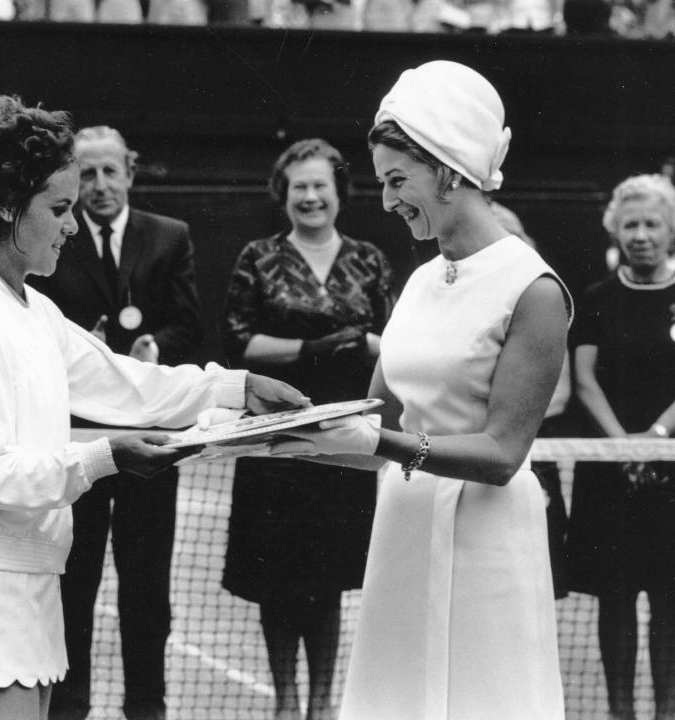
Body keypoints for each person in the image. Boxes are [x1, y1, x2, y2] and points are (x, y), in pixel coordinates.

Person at [0, 94, 308, 720]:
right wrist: (102, 457)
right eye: (58, 208)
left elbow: (127, 384)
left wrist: (235, 386)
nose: (69, 224)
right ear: (7, 207)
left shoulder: (32, 310)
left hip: (30, 589)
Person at [269, 60, 572, 718]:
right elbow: (374, 421)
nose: (386, 200)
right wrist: (275, 437)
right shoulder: (423, 280)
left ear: (448, 169)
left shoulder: (535, 289)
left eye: (397, 180)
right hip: (403, 526)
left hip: (488, 540)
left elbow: (501, 452)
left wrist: (379, 439)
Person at [28, 125, 202, 720]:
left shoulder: (170, 237)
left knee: (147, 589)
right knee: (75, 584)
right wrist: (89, 355)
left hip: (154, 440)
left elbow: (189, 326)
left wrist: (155, 345)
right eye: (88, 173)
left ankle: (145, 708)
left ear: (130, 170)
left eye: (110, 171)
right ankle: (69, 708)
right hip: (80, 442)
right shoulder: (59, 237)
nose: (100, 186)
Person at [220, 138, 394, 720]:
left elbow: (394, 344)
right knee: (280, 579)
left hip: (346, 440)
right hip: (277, 436)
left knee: (329, 577)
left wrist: (363, 341)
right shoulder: (257, 255)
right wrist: (310, 347)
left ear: (339, 192)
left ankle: (322, 706)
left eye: (322, 185)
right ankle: (285, 703)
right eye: (300, 187)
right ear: (283, 194)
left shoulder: (368, 259)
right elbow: (239, 340)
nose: (312, 196)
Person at [565, 173, 675, 720]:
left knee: (670, 601)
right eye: (630, 224)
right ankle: (620, 713)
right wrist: (623, 449)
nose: (641, 235)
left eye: (652, 223)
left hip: (668, 470)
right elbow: (584, 379)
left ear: (670, 231)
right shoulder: (596, 298)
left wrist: (656, 440)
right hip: (610, 473)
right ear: (616, 229)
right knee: (616, 601)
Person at [490, 200, 571, 599]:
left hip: (536, 453)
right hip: (480, 459)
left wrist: (510, 419)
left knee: (539, 580)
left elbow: (561, 394)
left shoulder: (542, 300)